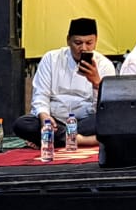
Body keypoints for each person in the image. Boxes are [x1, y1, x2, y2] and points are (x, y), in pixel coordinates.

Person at [12, 17, 114, 147]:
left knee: (109, 121)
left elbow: (105, 108)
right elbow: (40, 95)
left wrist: (96, 83)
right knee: (22, 124)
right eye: (78, 43)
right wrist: (44, 116)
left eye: (89, 43)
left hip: (84, 122)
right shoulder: (51, 59)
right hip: (55, 121)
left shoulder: (104, 65)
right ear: (68, 40)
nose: (83, 48)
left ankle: (51, 139)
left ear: (96, 41)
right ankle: (80, 140)